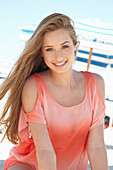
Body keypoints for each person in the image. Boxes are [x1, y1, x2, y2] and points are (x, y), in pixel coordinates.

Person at [0, 13, 108, 170]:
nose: (58, 56)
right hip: (31, 166)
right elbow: (45, 151)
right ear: (42, 53)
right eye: (49, 49)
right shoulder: (33, 86)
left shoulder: (96, 84)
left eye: (65, 46)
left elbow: (96, 147)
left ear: (75, 45)